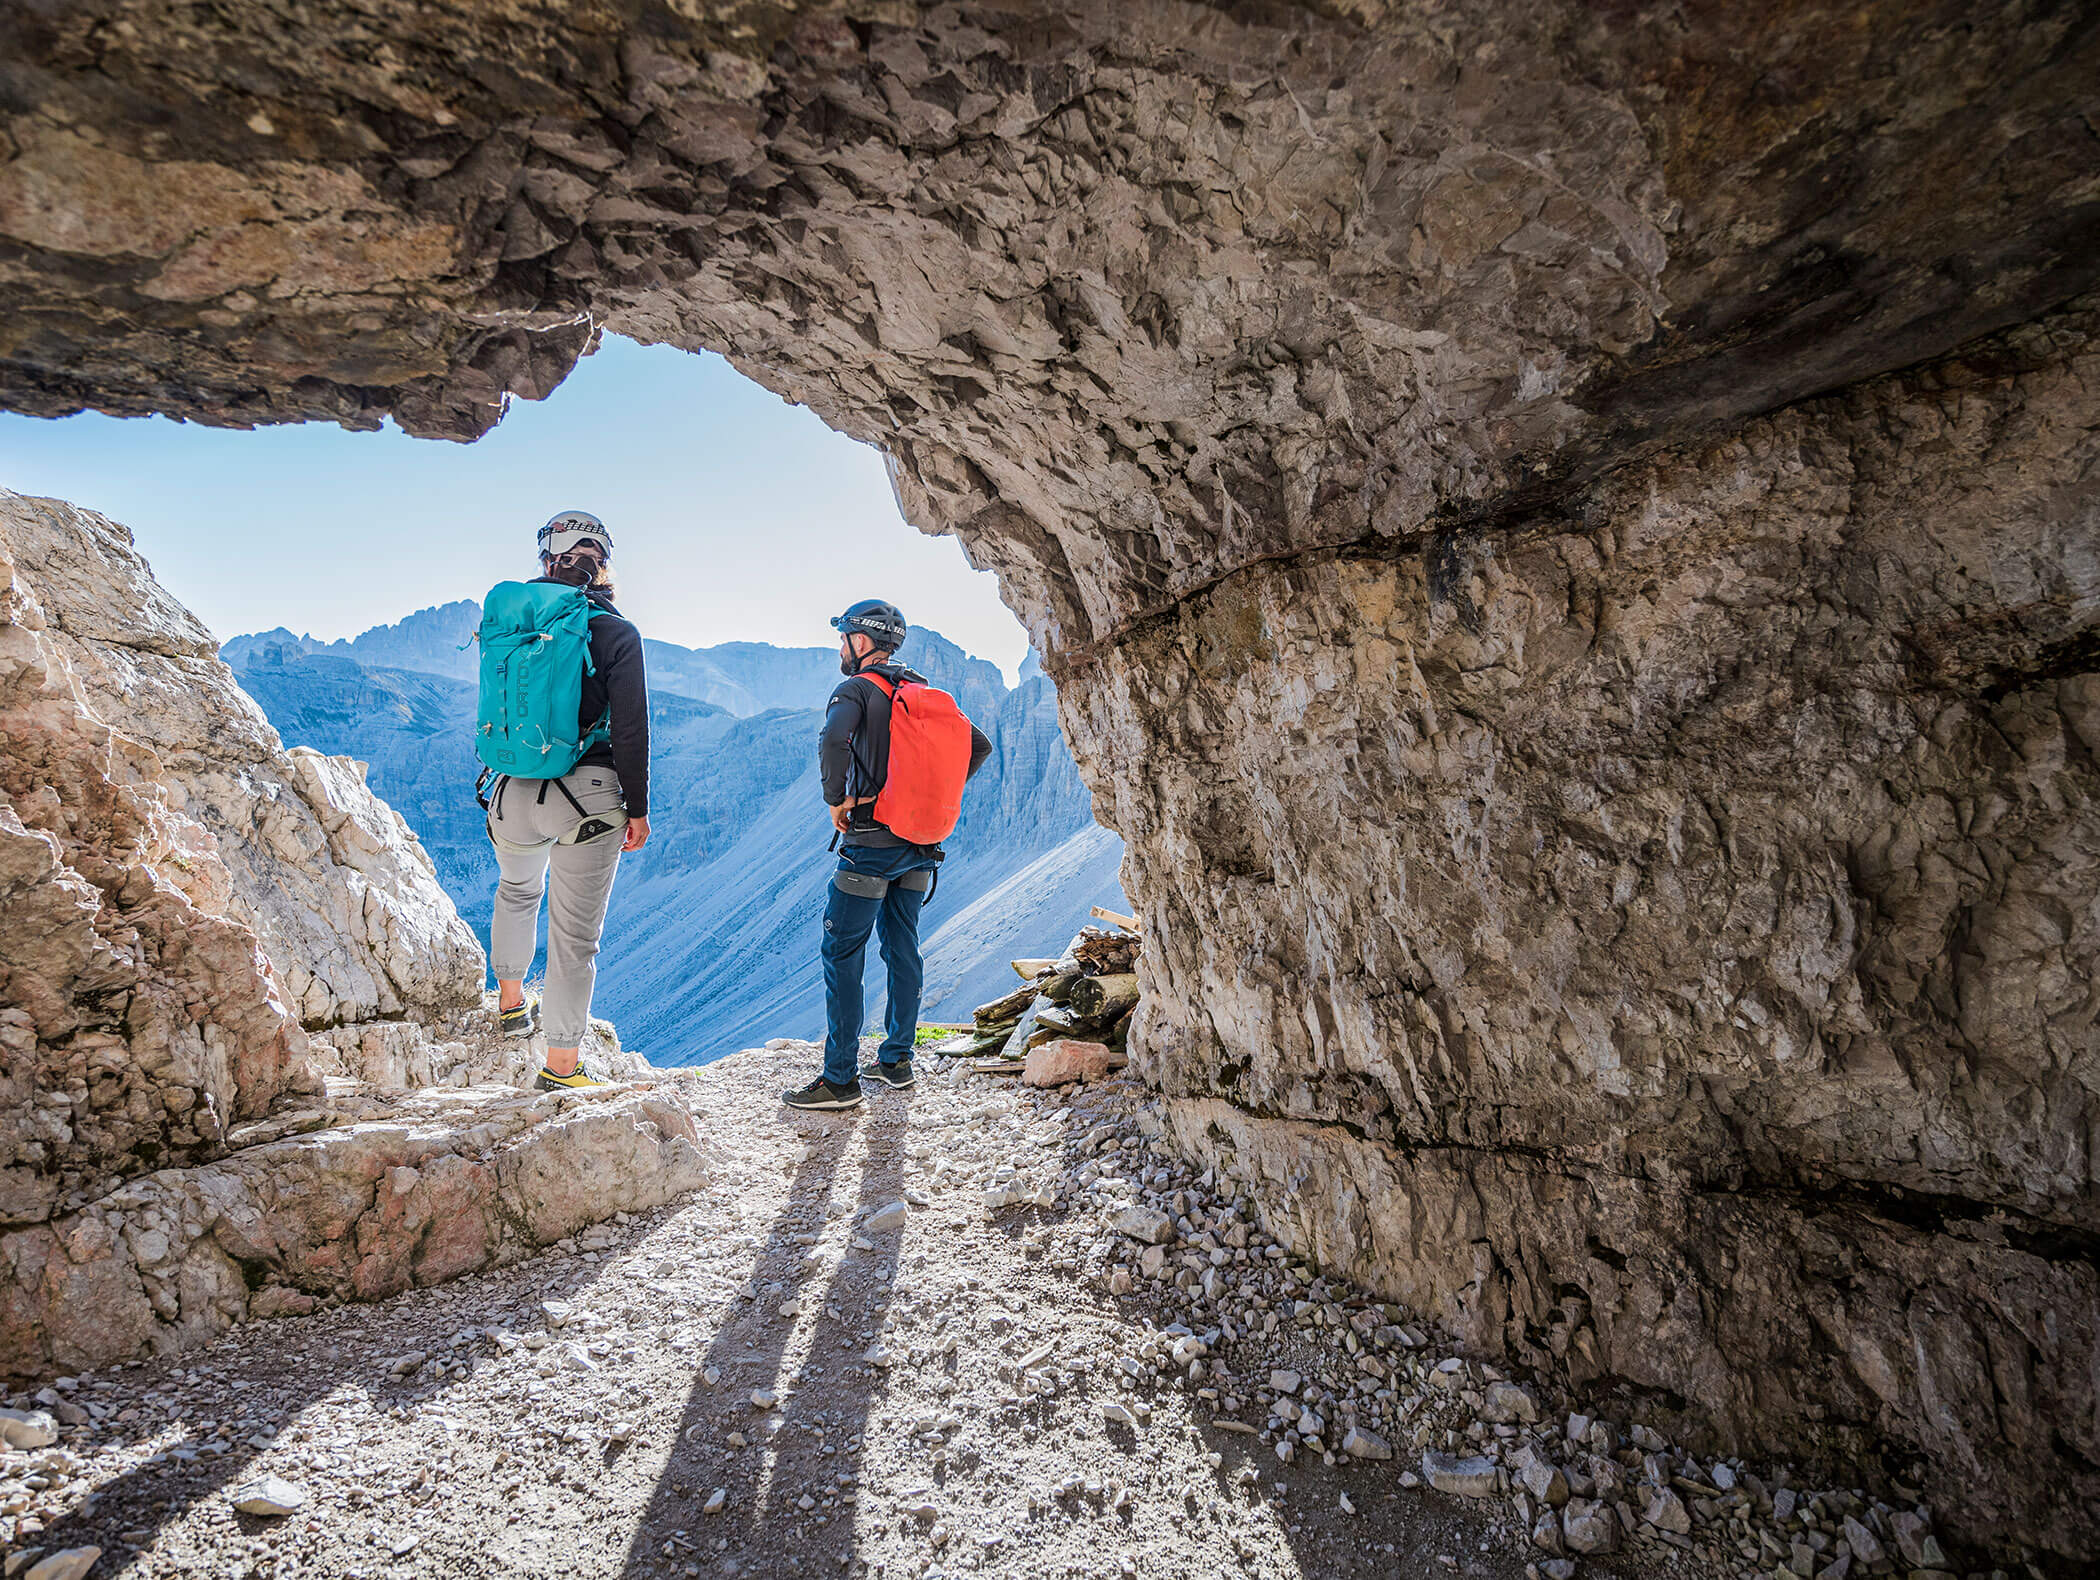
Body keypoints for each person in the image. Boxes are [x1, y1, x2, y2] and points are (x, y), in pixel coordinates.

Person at [782, 599, 991, 1110]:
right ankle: (897, 1062)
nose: (841, 649)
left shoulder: (855, 689)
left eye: (844, 639)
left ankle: (839, 1080)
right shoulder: (921, 690)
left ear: (860, 642)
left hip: (870, 843)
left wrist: (837, 800)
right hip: (920, 846)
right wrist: (933, 795)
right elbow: (979, 746)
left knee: (842, 953)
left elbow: (834, 739)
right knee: (903, 947)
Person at [484, 510, 651, 1090]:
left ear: (546, 558)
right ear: (602, 563)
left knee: (516, 889)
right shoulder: (616, 632)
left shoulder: (509, 620)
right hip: (586, 799)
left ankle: (509, 1002)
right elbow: (630, 729)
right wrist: (637, 808)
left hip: (510, 790)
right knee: (575, 938)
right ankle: (560, 1066)